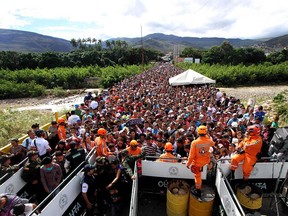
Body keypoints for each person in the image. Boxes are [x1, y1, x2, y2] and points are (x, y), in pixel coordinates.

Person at [186, 125, 215, 198]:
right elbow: (212, 144)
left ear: (198, 132)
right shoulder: (209, 141)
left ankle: (198, 191)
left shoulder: (194, 143)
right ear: (206, 133)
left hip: (197, 163)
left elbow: (191, 155)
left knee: (198, 177)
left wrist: (188, 164)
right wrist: (207, 137)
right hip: (206, 161)